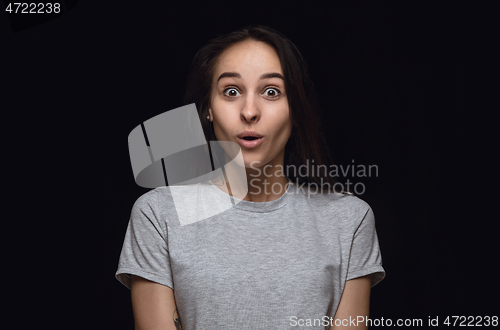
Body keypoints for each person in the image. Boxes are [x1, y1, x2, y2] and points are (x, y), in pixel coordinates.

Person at [116, 25, 385, 330]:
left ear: (295, 109)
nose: (249, 111)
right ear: (208, 109)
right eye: (231, 91)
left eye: (271, 92)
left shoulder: (349, 220)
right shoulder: (158, 214)